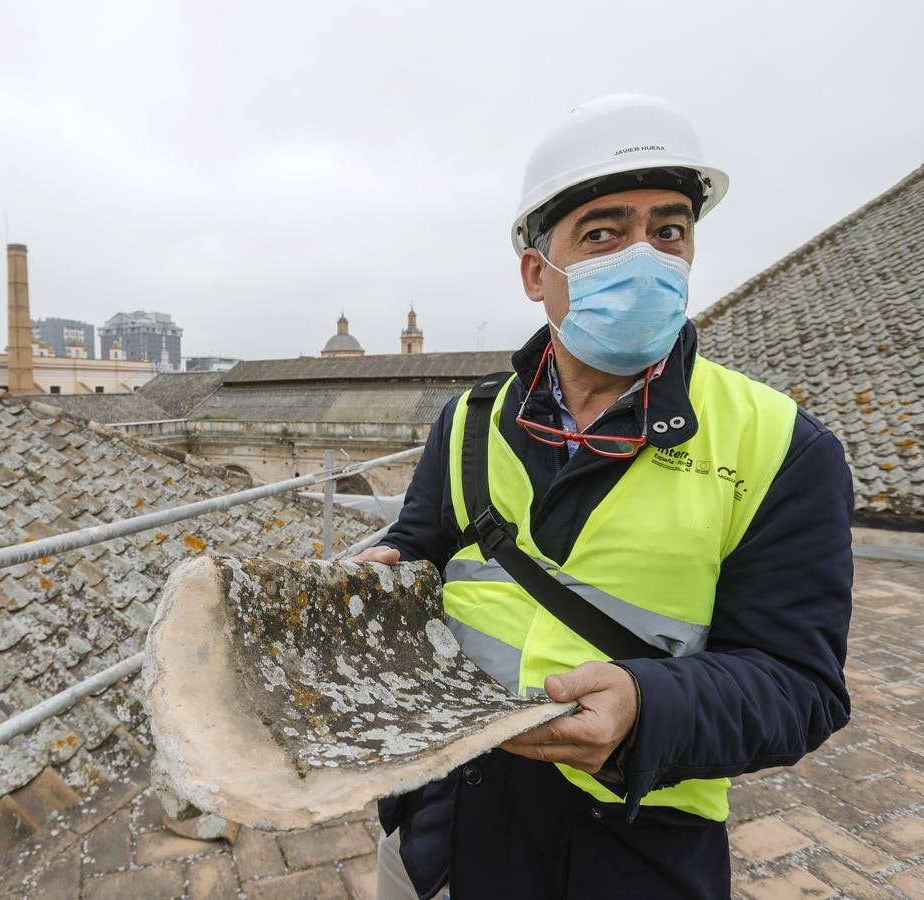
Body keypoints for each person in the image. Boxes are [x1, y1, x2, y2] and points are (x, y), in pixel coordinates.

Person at [353, 94, 853, 899]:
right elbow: (422, 543)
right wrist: (383, 568)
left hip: (632, 848)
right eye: (602, 233)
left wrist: (648, 709)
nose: (645, 256)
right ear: (534, 272)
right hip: (444, 823)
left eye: (669, 230)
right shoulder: (469, 419)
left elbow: (801, 686)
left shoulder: (783, 446)